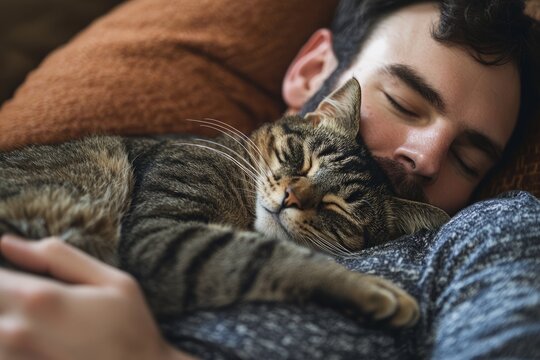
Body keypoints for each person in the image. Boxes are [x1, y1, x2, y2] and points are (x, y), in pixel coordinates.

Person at [0, 0, 538, 359]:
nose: (427, 157)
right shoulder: (221, 165)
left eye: (469, 159)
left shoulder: (489, 233)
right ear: (312, 78)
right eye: (402, 102)